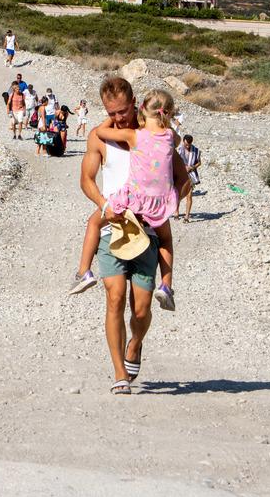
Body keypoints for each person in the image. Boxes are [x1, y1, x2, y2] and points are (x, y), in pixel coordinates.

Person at [72, 79, 191, 394]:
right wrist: (103, 204)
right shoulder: (101, 138)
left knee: (141, 309)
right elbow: (86, 179)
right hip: (114, 226)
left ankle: (135, 343)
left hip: (148, 230)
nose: (119, 118)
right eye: (112, 112)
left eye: (123, 111)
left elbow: (183, 178)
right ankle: (119, 373)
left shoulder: (154, 135)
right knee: (114, 298)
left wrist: (168, 203)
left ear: (134, 103)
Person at [177, 135, 201, 223]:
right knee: (178, 195)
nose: (187, 146)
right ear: (183, 141)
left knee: (189, 195)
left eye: (189, 144)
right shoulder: (179, 150)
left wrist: (192, 167)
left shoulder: (196, 150)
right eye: (186, 144)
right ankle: (176, 212)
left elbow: (199, 162)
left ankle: (186, 216)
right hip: (180, 175)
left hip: (191, 175)